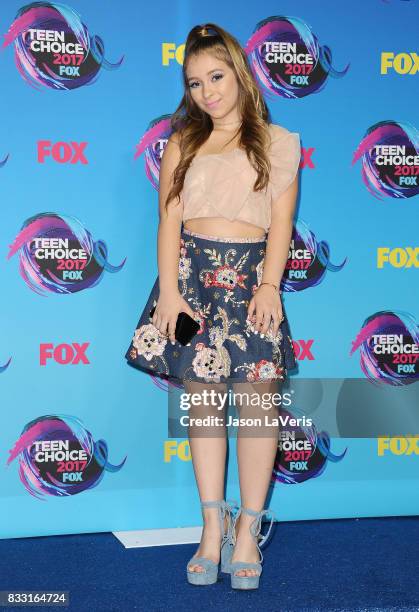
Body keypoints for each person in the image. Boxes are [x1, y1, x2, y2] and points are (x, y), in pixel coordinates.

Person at [125, 22, 301, 590]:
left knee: (255, 409)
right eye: (196, 82)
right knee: (203, 409)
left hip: (253, 283)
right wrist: (171, 295)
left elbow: (281, 223)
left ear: (240, 73)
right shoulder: (183, 140)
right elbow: (169, 220)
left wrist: (270, 286)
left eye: (216, 76)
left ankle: (247, 528)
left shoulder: (279, 142)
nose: (208, 92)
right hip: (192, 282)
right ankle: (210, 526)